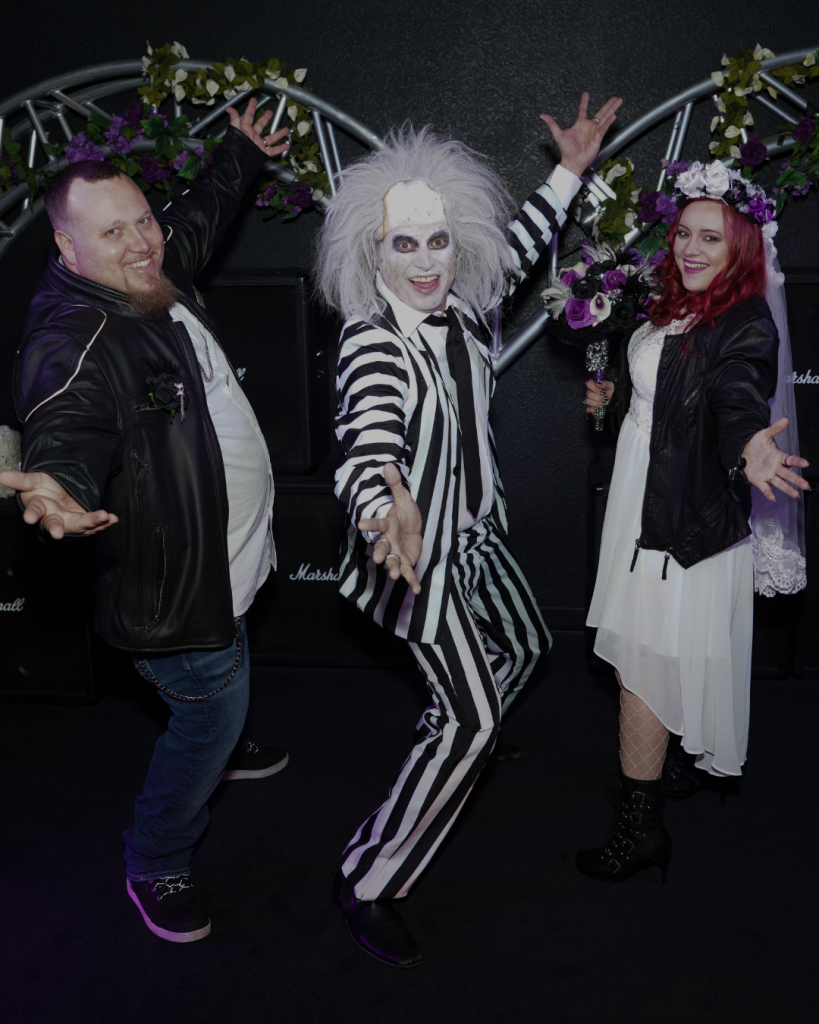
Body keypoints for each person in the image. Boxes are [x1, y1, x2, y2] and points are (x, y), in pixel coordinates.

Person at [315, 93, 622, 967]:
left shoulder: (465, 306)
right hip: (418, 559)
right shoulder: (373, 340)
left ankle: (456, 727)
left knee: (527, 650)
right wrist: (384, 501)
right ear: (371, 250)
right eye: (402, 244)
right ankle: (369, 878)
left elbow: (521, 245)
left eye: (438, 241)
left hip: (477, 536)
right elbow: (365, 433)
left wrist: (568, 169)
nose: (423, 262)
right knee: (474, 724)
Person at [0, 99, 291, 942]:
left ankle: (221, 738)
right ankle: (155, 858)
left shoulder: (148, 269)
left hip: (221, 560)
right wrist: (54, 481)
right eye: (114, 233)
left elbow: (193, 221)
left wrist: (237, 150)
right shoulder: (73, 334)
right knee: (208, 712)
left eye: (142, 221)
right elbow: (64, 413)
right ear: (66, 249)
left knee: (222, 683)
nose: (141, 243)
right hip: (174, 591)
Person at [579, 160, 808, 883]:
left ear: (741, 246)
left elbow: (737, 397)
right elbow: (662, 395)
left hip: (679, 519)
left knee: (642, 663)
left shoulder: (743, 325)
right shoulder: (672, 305)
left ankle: (637, 831)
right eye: (683, 233)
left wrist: (747, 446)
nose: (691, 249)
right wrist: (613, 399)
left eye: (711, 237)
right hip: (642, 499)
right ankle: (664, 767)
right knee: (652, 653)